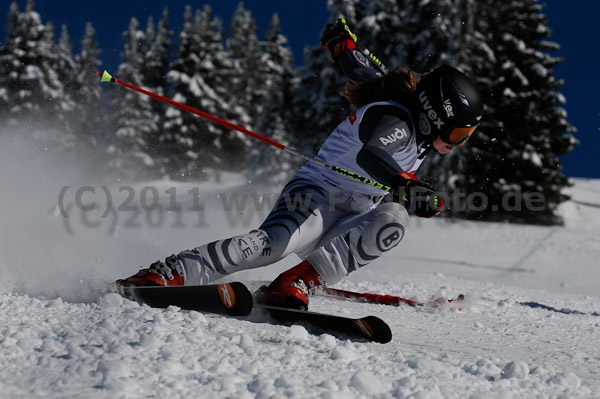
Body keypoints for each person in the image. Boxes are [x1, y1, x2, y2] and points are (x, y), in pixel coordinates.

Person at [116, 19, 484, 310]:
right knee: (271, 246)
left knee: (393, 222)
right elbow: (371, 153)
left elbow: (366, 75)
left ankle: (296, 282)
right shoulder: (397, 122)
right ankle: (169, 272)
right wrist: (405, 185)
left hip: (351, 213)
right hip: (313, 197)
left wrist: (344, 47)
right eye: (456, 135)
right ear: (434, 116)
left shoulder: (410, 113)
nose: (456, 145)